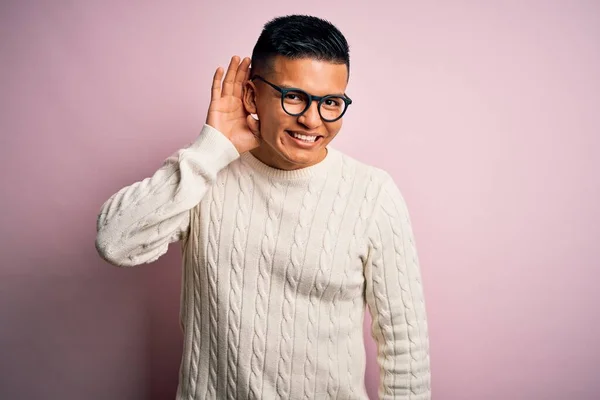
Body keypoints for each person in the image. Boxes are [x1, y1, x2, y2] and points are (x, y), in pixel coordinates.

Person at [95, 14, 431, 400]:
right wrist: (211, 148)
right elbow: (114, 242)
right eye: (293, 96)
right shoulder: (204, 173)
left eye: (331, 102)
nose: (312, 119)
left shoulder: (373, 193)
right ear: (253, 96)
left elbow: (405, 345)